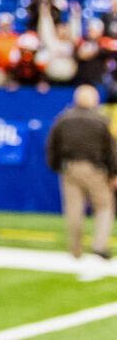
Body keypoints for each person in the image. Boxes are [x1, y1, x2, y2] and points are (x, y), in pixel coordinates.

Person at [45, 84, 115, 260]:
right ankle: (99, 245)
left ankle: (75, 250)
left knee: (74, 210)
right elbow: (111, 149)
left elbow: (52, 145)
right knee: (104, 206)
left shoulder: (63, 118)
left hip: (69, 168)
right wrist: (114, 172)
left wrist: (56, 166)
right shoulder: (101, 120)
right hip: (94, 169)